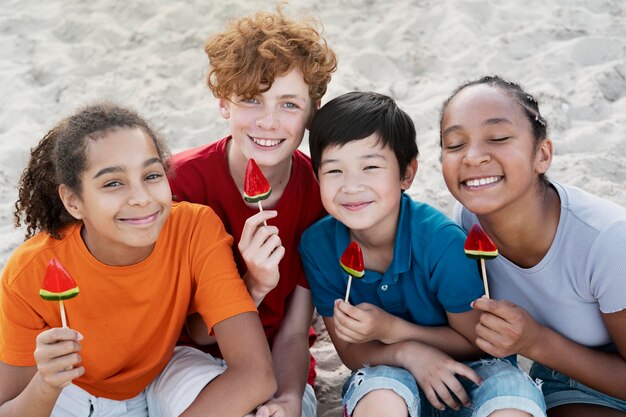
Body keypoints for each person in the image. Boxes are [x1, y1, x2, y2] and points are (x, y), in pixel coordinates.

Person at [0, 102, 276, 417]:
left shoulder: (194, 227)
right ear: (73, 201)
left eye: (151, 175)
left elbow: (256, 374)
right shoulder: (28, 271)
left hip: (164, 375)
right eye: (113, 183)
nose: (141, 197)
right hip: (73, 392)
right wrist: (46, 385)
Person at [299, 91, 546, 417]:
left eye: (370, 167)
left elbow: (477, 343)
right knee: (380, 393)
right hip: (388, 369)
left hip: (475, 372)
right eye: (334, 171)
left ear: (406, 174)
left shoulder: (441, 242)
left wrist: (391, 331)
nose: (352, 186)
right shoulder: (318, 245)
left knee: (512, 396)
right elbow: (350, 351)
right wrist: (406, 353)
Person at [163, 6, 337, 417]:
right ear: (224, 103)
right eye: (250, 100)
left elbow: (296, 330)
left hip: (281, 357)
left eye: (289, 105)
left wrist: (290, 397)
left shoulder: (319, 193)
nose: (268, 122)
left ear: (313, 110)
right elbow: (190, 331)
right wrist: (255, 284)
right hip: (191, 357)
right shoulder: (180, 184)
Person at [439, 75, 626, 416]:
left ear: (541, 155)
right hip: (569, 383)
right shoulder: (467, 219)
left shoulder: (608, 239)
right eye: (454, 144)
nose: (473, 156)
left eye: (497, 138)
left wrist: (534, 341)